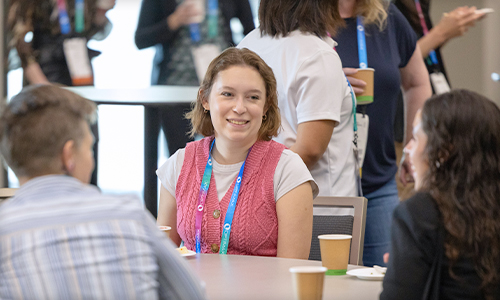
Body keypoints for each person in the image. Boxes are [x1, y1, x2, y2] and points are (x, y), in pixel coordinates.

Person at [0, 85, 206, 300]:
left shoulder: (4, 229)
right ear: (68, 155)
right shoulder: (129, 214)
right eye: (89, 148)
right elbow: (191, 295)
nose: (91, 159)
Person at [156, 47, 317, 258]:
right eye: (228, 94)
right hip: (195, 290)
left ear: (266, 106)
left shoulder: (288, 169)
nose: (240, 108)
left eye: (253, 97)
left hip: (261, 291)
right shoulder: (180, 163)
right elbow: (163, 258)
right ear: (205, 99)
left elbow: (290, 273)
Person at [334, 0, 432, 266]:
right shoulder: (304, 19)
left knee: (385, 282)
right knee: (329, 286)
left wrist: (414, 146)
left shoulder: (386, 16)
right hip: (321, 188)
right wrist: (326, 81)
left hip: (378, 182)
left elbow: (417, 83)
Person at [381, 90, 500, 299]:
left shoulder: (420, 214)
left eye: (416, 139)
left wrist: (402, 266)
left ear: (443, 152)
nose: (408, 149)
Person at [237, 0, 357, 197]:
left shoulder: (249, 43)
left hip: (256, 194)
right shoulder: (317, 55)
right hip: (317, 205)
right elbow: (310, 149)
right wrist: (261, 188)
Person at [7, 0, 115, 186]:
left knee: (85, 138)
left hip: (79, 74)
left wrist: (102, 10)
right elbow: (19, 40)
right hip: (45, 76)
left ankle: (84, 200)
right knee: (47, 143)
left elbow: (92, 30)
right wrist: (43, 85)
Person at [393, 0, 488, 200]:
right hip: (401, 123)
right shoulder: (386, 8)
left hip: (431, 119)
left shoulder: (419, 5)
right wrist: (441, 33)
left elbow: (417, 53)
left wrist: (442, 35)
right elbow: (397, 61)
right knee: (410, 195)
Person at [135, 0, 255, 156]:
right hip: (174, 89)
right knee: (181, 158)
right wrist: (174, 21)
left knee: (226, 155)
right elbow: (141, 39)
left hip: (221, 88)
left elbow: (251, 32)